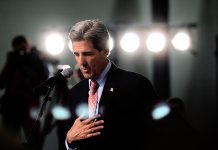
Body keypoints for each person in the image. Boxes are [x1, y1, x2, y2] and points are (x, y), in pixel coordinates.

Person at [65, 19, 159, 150]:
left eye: (87, 54)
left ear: (105, 51)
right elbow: (71, 138)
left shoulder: (136, 85)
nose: (81, 62)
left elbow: (156, 137)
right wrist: (69, 141)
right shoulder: (75, 93)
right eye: (76, 54)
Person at [0, 35, 50, 150]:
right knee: (8, 141)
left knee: (32, 141)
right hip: (11, 107)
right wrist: (11, 61)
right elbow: (2, 82)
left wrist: (33, 58)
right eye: (18, 47)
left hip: (29, 107)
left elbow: (44, 80)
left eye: (24, 46)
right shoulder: (13, 60)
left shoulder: (36, 58)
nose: (21, 50)